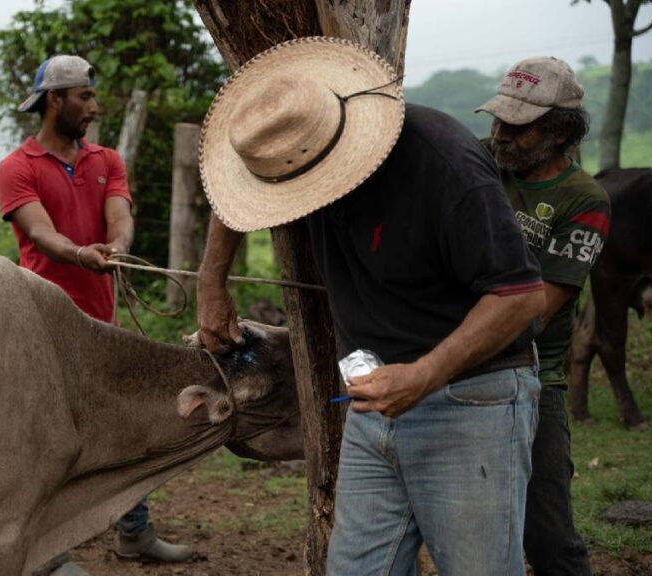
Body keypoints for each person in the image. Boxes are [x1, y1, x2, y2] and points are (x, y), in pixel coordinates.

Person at [195, 37, 545, 575]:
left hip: (471, 400)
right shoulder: (290, 146)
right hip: (372, 403)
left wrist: (423, 375)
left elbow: (520, 297)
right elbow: (233, 190)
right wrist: (211, 280)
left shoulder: (443, 163)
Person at [0, 54, 191, 576]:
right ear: (55, 100)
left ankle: (135, 532)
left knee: (125, 425)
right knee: (49, 440)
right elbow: (40, 234)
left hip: (102, 323)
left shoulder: (106, 160)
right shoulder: (17, 167)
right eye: (84, 97)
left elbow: (119, 216)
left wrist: (118, 247)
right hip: (45, 326)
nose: (94, 107)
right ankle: (45, 554)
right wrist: (82, 254)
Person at [476, 57, 609, 576]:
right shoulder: (479, 160)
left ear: (559, 133)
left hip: (531, 377)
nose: (500, 135)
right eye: (498, 121)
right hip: (451, 366)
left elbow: (537, 311)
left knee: (548, 536)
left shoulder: (583, 200)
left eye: (518, 127)